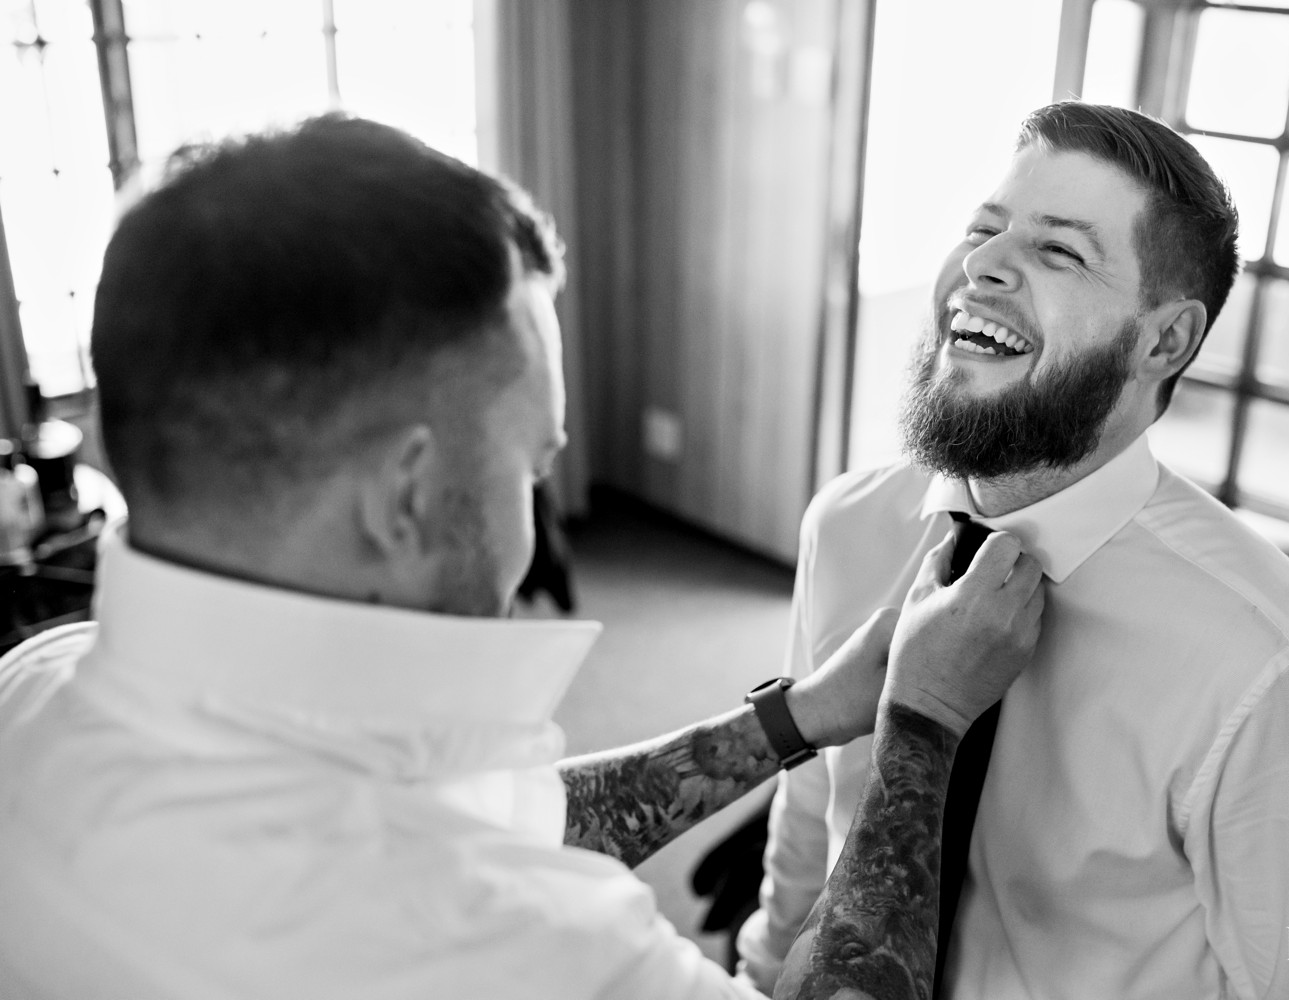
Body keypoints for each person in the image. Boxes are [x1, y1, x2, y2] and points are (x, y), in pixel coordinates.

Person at [0, 115, 1046, 999]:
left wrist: (799, 714)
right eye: (531, 467)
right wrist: (922, 722)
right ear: (404, 494)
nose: (532, 513)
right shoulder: (519, 946)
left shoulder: (34, 687)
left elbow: (494, 814)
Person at [738, 102, 1289, 1000]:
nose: (981, 267)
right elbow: (811, 818)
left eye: (1058, 251)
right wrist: (762, 970)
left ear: (1165, 340)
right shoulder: (848, 525)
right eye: (984, 228)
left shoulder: (1272, 665)